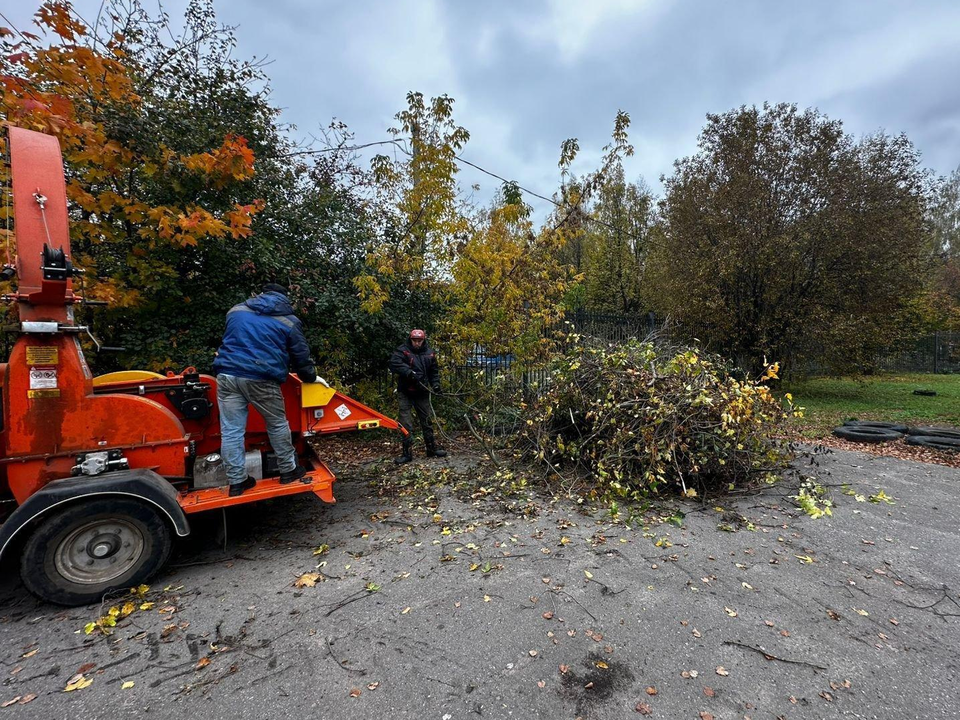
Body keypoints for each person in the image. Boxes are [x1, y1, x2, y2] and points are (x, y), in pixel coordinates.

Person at [213, 283, 318, 496]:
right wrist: (309, 377)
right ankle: (288, 470)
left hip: (226, 374)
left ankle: (237, 482)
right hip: (261, 376)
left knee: (231, 431)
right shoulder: (289, 321)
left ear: (260, 294)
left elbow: (235, 340)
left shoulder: (236, 311)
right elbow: (300, 355)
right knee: (277, 424)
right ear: (284, 299)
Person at [388, 329, 447, 464]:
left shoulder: (429, 353)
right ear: (410, 339)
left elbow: (434, 371)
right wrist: (408, 372)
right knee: (405, 423)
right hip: (406, 392)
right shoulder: (402, 350)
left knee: (426, 420)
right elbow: (394, 364)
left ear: (423, 340)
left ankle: (431, 449)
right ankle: (406, 453)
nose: (417, 343)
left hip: (422, 392)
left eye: (419, 341)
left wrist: (436, 385)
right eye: (415, 340)